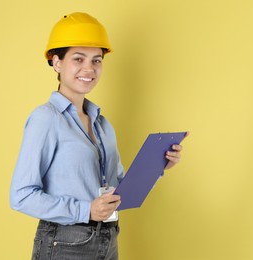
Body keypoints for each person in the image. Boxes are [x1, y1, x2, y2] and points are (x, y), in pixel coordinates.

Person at [10, 12, 185, 260]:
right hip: (65, 244)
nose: (89, 69)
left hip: (108, 239)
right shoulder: (46, 119)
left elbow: (120, 188)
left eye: (96, 60)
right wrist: (86, 210)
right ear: (57, 62)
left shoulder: (103, 124)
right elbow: (21, 196)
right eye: (78, 59)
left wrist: (159, 165)